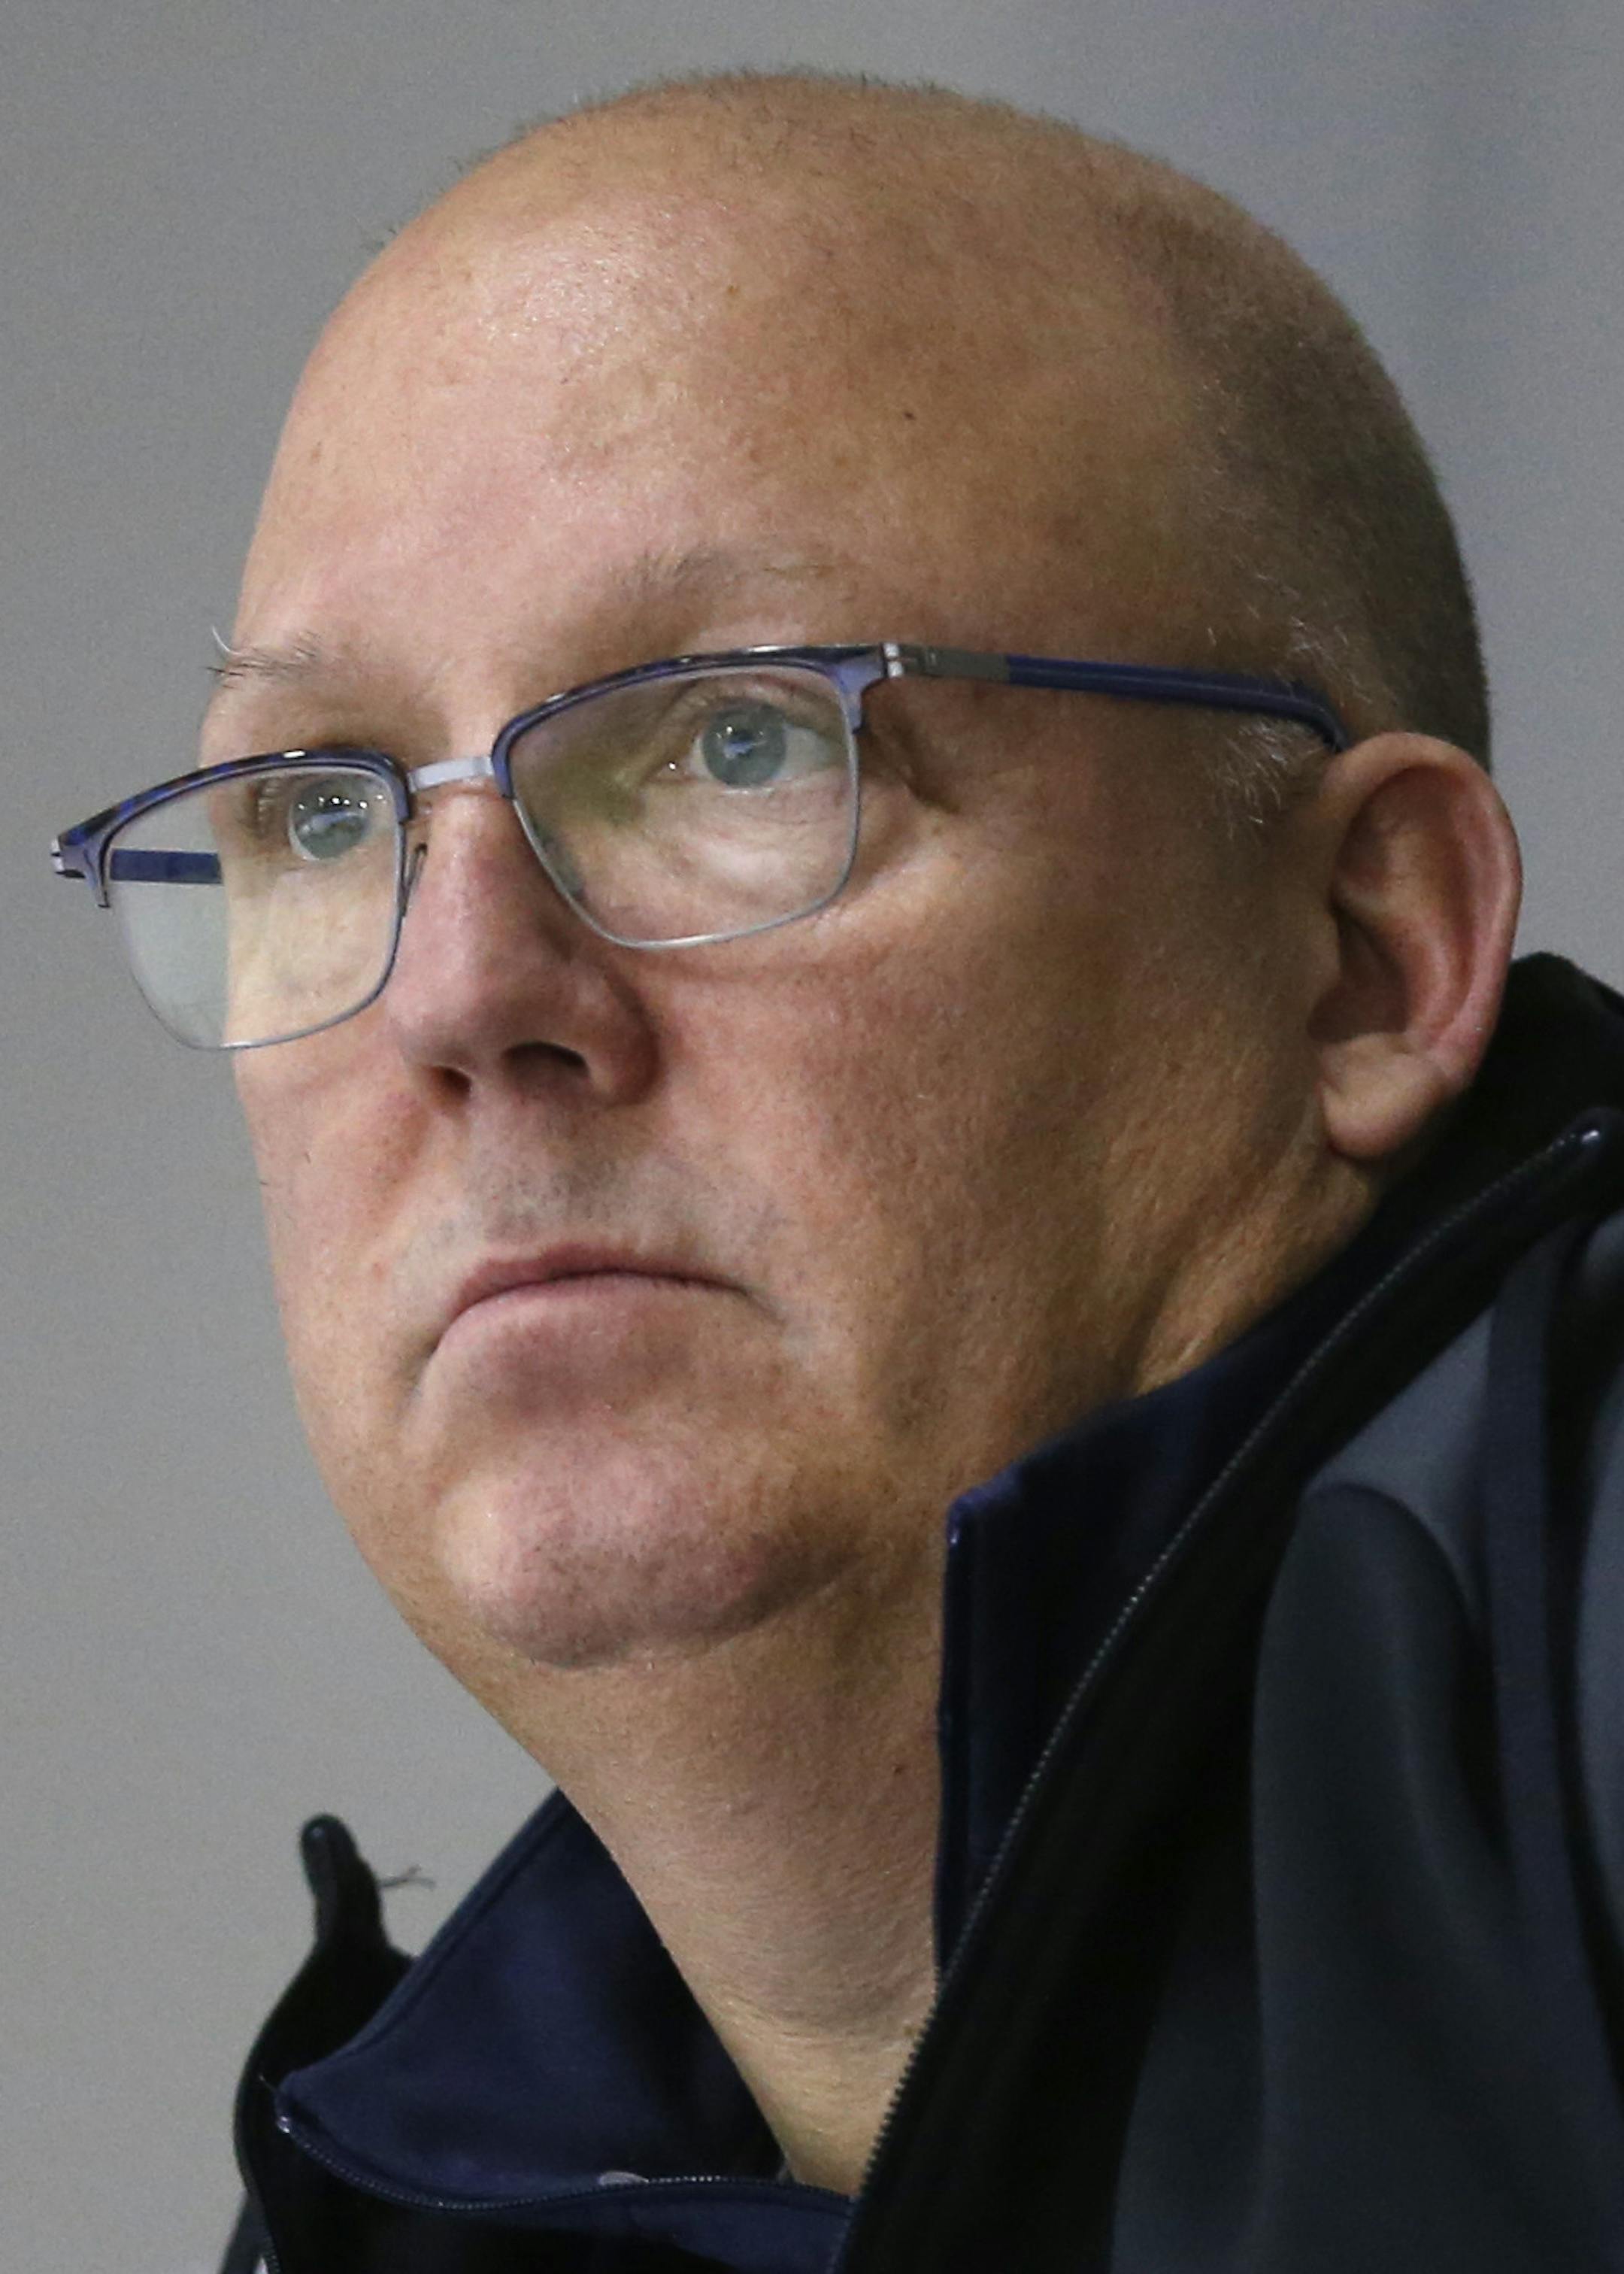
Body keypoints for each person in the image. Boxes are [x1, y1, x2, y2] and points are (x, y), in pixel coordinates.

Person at [51, 71, 1624, 2274]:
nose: (458, 990)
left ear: (1360, 955)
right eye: (324, 814)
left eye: (740, 738)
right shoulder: (382, 2216)